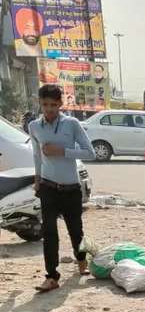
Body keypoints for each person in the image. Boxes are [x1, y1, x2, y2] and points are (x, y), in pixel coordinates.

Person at [29, 83, 96, 293]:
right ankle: (51, 276)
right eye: (45, 104)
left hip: (70, 189)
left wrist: (63, 151)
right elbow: (36, 155)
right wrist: (37, 179)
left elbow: (90, 153)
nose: (49, 109)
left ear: (60, 104)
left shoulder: (72, 124)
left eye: (53, 105)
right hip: (48, 187)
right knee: (48, 232)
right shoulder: (34, 127)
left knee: (75, 230)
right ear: (40, 103)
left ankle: (81, 259)